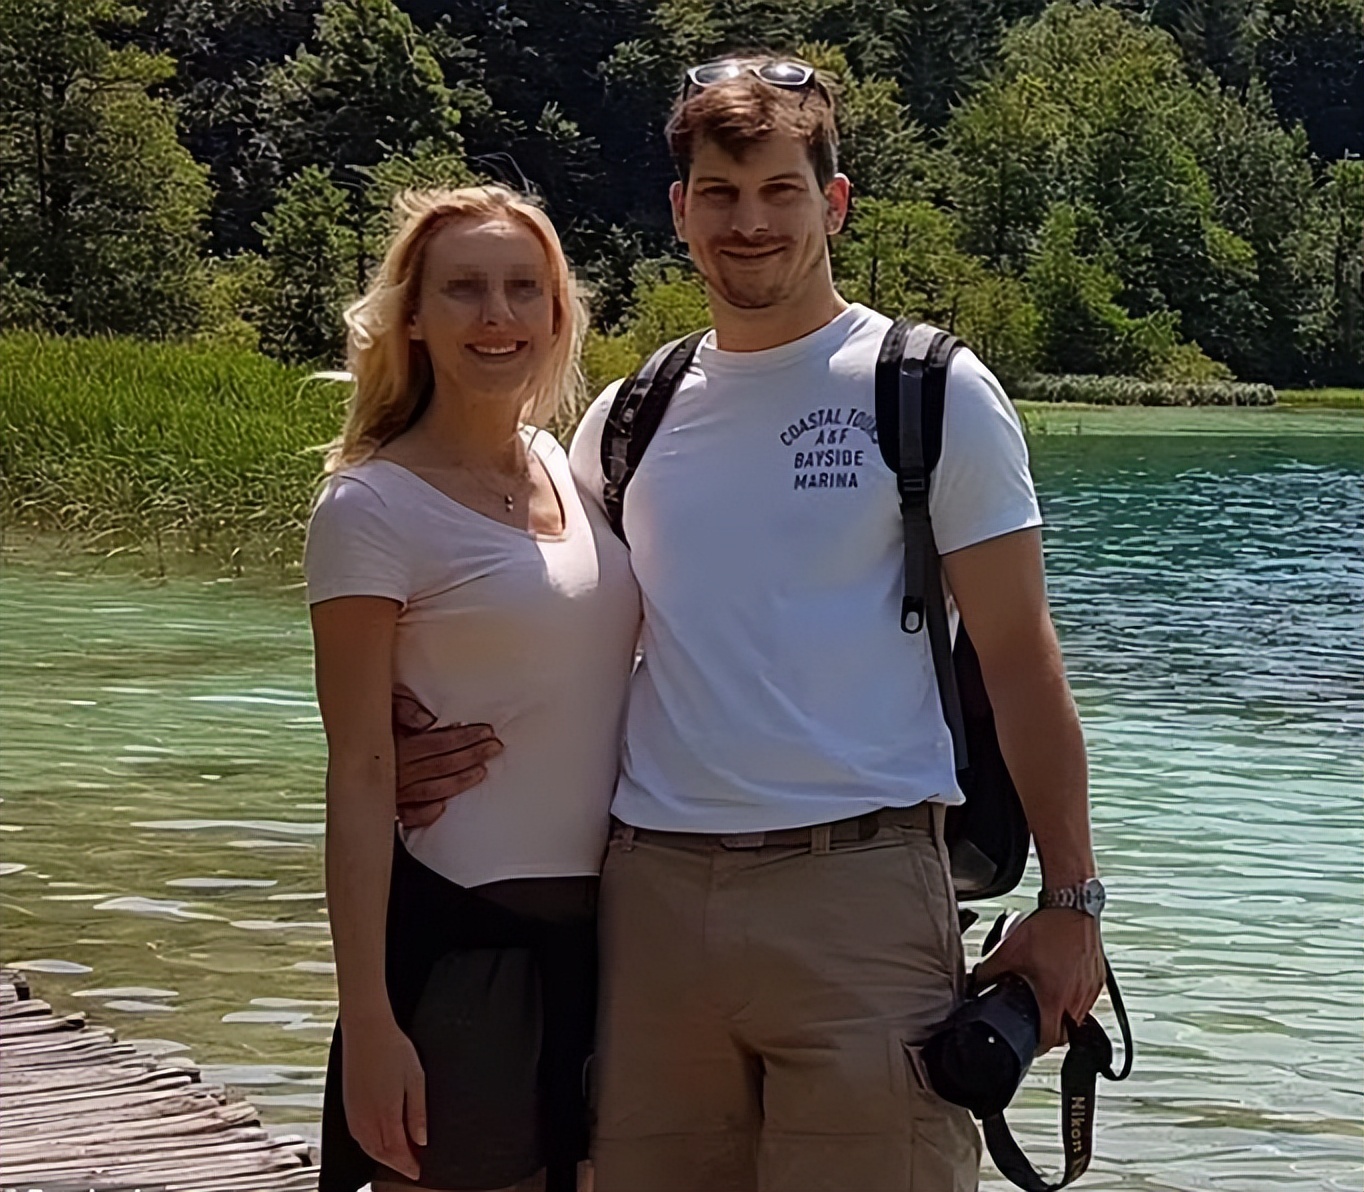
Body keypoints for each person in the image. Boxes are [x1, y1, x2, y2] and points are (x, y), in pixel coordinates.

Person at [397, 57, 1108, 1192]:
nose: (750, 223)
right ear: (681, 212)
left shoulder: (928, 390)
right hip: (650, 902)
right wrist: (405, 734)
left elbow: (1022, 660)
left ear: (834, 202)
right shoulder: (629, 417)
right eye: (720, 195)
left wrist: (1071, 903)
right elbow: (556, 634)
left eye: (780, 190)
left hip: (862, 891)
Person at [305, 185, 639, 1192]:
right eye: (463, 289)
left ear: (556, 313)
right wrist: (369, 1021)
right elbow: (360, 773)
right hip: (463, 957)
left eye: (523, 289)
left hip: (614, 950)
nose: (497, 315)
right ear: (411, 315)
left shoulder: (565, 467)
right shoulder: (369, 506)